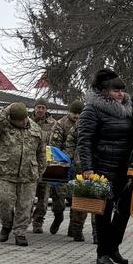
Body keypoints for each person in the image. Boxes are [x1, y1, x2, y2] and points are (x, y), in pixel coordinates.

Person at [77, 69, 133, 264]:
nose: (120, 94)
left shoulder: (130, 110)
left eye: (122, 90)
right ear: (104, 91)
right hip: (102, 167)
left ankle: (114, 246)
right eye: (116, 90)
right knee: (103, 212)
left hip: (126, 168)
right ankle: (102, 252)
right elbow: (85, 141)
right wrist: (87, 168)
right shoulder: (92, 110)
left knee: (123, 211)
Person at [0, 102, 45, 246]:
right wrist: (7, 110)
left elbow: (41, 153)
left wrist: (39, 172)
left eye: (23, 119)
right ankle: (7, 224)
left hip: (28, 175)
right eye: (18, 120)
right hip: (5, 173)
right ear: (11, 119)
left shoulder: (36, 129)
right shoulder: (2, 126)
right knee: (4, 202)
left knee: (25, 206)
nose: (22, 122)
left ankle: (20, 232)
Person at [50, 100, 85, 238]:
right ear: (69, 112)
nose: (76, 116)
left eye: (79, 114)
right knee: (59, 198)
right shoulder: (60, 124)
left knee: (77, 199)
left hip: (80, 167)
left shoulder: (85, 125)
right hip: (63, 165)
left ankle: (75, 228)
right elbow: (54, 146)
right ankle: (58, 216)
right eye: (74, 113)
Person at [29, 100, 59, 234]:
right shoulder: (27, 122)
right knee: (28, 195)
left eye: (43, 108)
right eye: (38, 107)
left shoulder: (53, 124)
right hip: (30, 164)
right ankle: (24, 219)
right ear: (34, 108)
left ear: (46, 109)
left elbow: (56, 144)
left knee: (43, 196)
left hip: (46, 165)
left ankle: (38, 221)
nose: (40, 110)